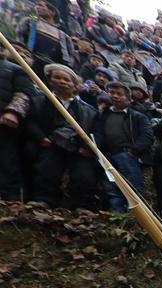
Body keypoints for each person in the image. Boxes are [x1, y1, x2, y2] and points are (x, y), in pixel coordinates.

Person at [24, 64, 98, 209]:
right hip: (51, 144)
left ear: (74, 85)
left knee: (84, 176)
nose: (62, 82)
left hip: (78, 147)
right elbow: (30, 121)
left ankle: (81, 205)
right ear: (50, 80)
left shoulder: (88, 109)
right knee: (46, 171)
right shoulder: (39, 100)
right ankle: (44, 200)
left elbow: (95, 130)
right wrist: (41, 138)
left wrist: (87, 147)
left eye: (66, 79)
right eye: (57, 78)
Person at [95, 81, 153, 212]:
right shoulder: (102, 115)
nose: (115, 96)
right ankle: (117, 214)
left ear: (128, 98)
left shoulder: (138, 116)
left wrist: (134, 151)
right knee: (111, 187)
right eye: (112, 93)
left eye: (119, 94)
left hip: (127, 155)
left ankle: (138, 217)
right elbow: (98, 133)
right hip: (107, 156)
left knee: (132, 187)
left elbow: (147, 136)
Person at [0, 52, 32, 201]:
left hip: (4, 122)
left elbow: (24, 93)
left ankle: (9, 199)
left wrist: (13, 112)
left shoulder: (15, 69)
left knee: (7, 161)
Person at [16, 0, 75, 78]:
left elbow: (69, 58)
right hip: (30, 63)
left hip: (50, 71)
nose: (37, 7)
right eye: (37, 5)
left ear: (52, 12)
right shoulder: (29, 22)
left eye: (41, 5)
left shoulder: (63, 36)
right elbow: (19, 40)